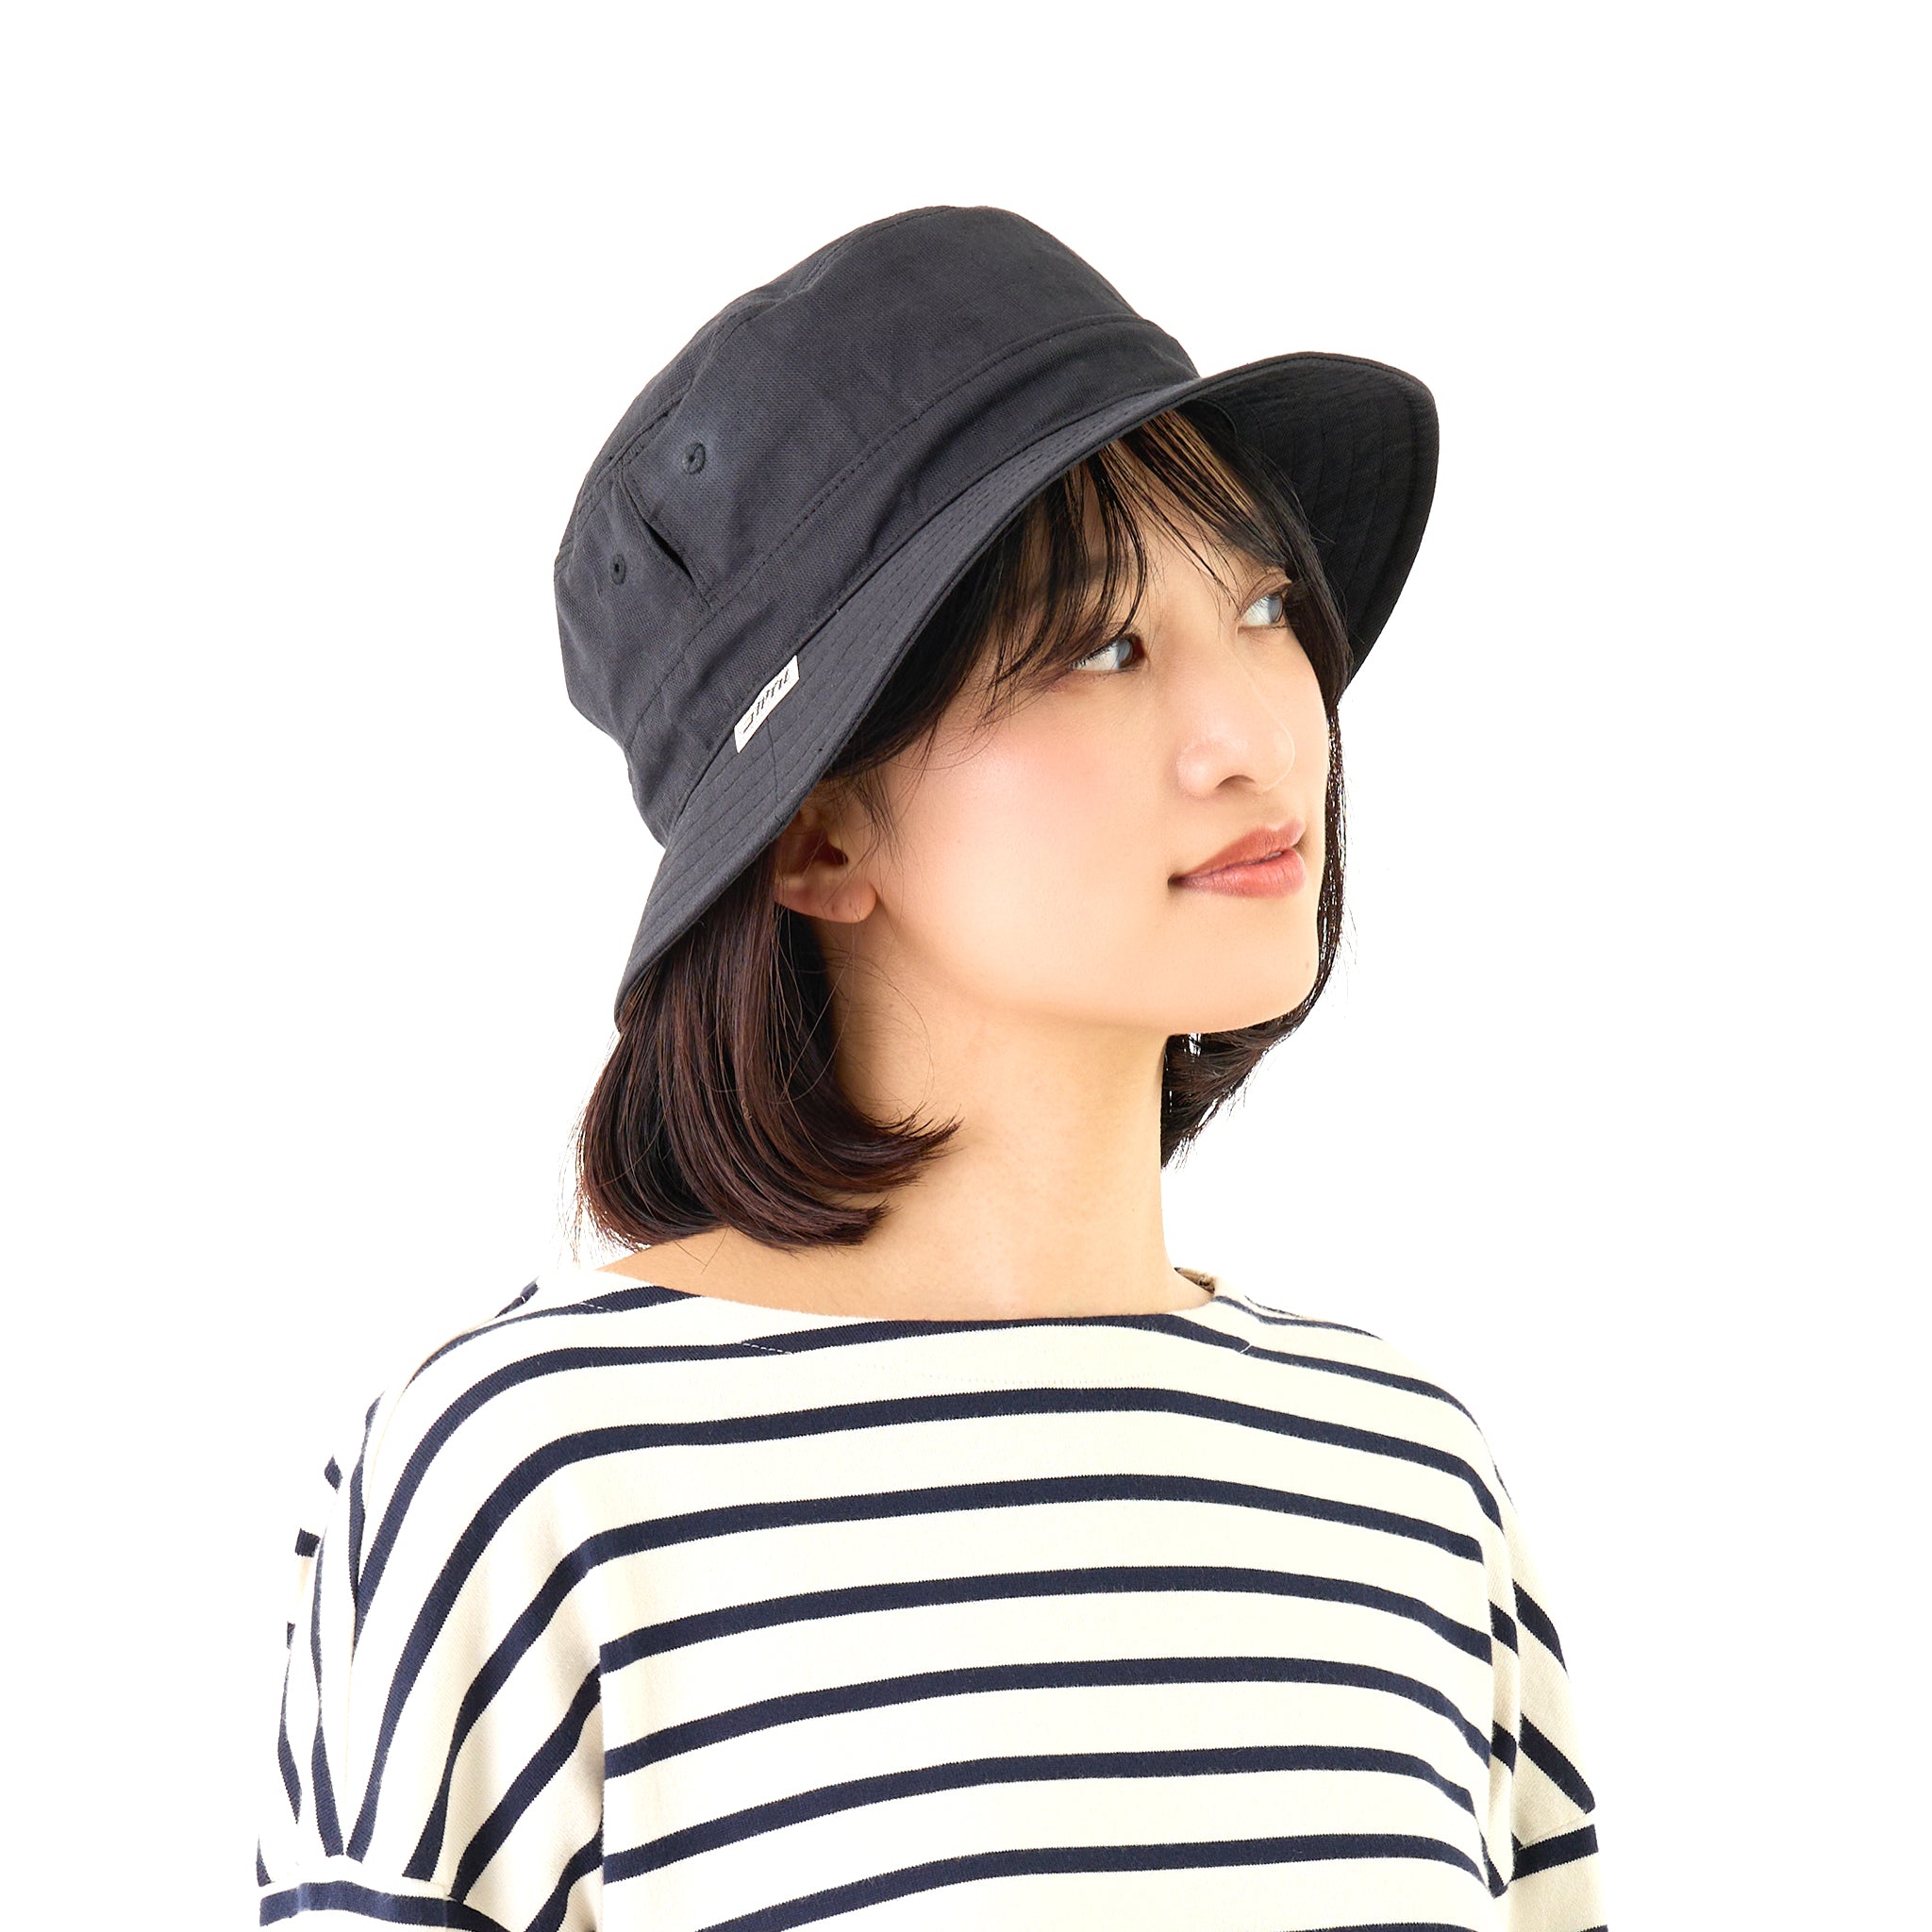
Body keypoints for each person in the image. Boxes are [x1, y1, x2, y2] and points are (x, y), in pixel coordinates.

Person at [254, 207, 1607, 1930]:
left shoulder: (1406, 1475)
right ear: (819, 836)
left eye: (1266, 604)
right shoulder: (537, 1481)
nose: (1260, 734)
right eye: (1102, 648)